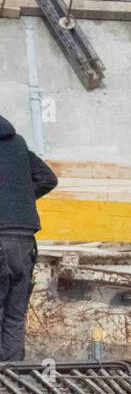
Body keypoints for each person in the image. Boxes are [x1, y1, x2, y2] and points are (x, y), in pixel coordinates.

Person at [0, 115, 58, 361]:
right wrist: (21, 200)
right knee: (14, 314)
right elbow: (49, 179)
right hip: (24, 242)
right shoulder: (19, 144)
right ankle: (12, 380)